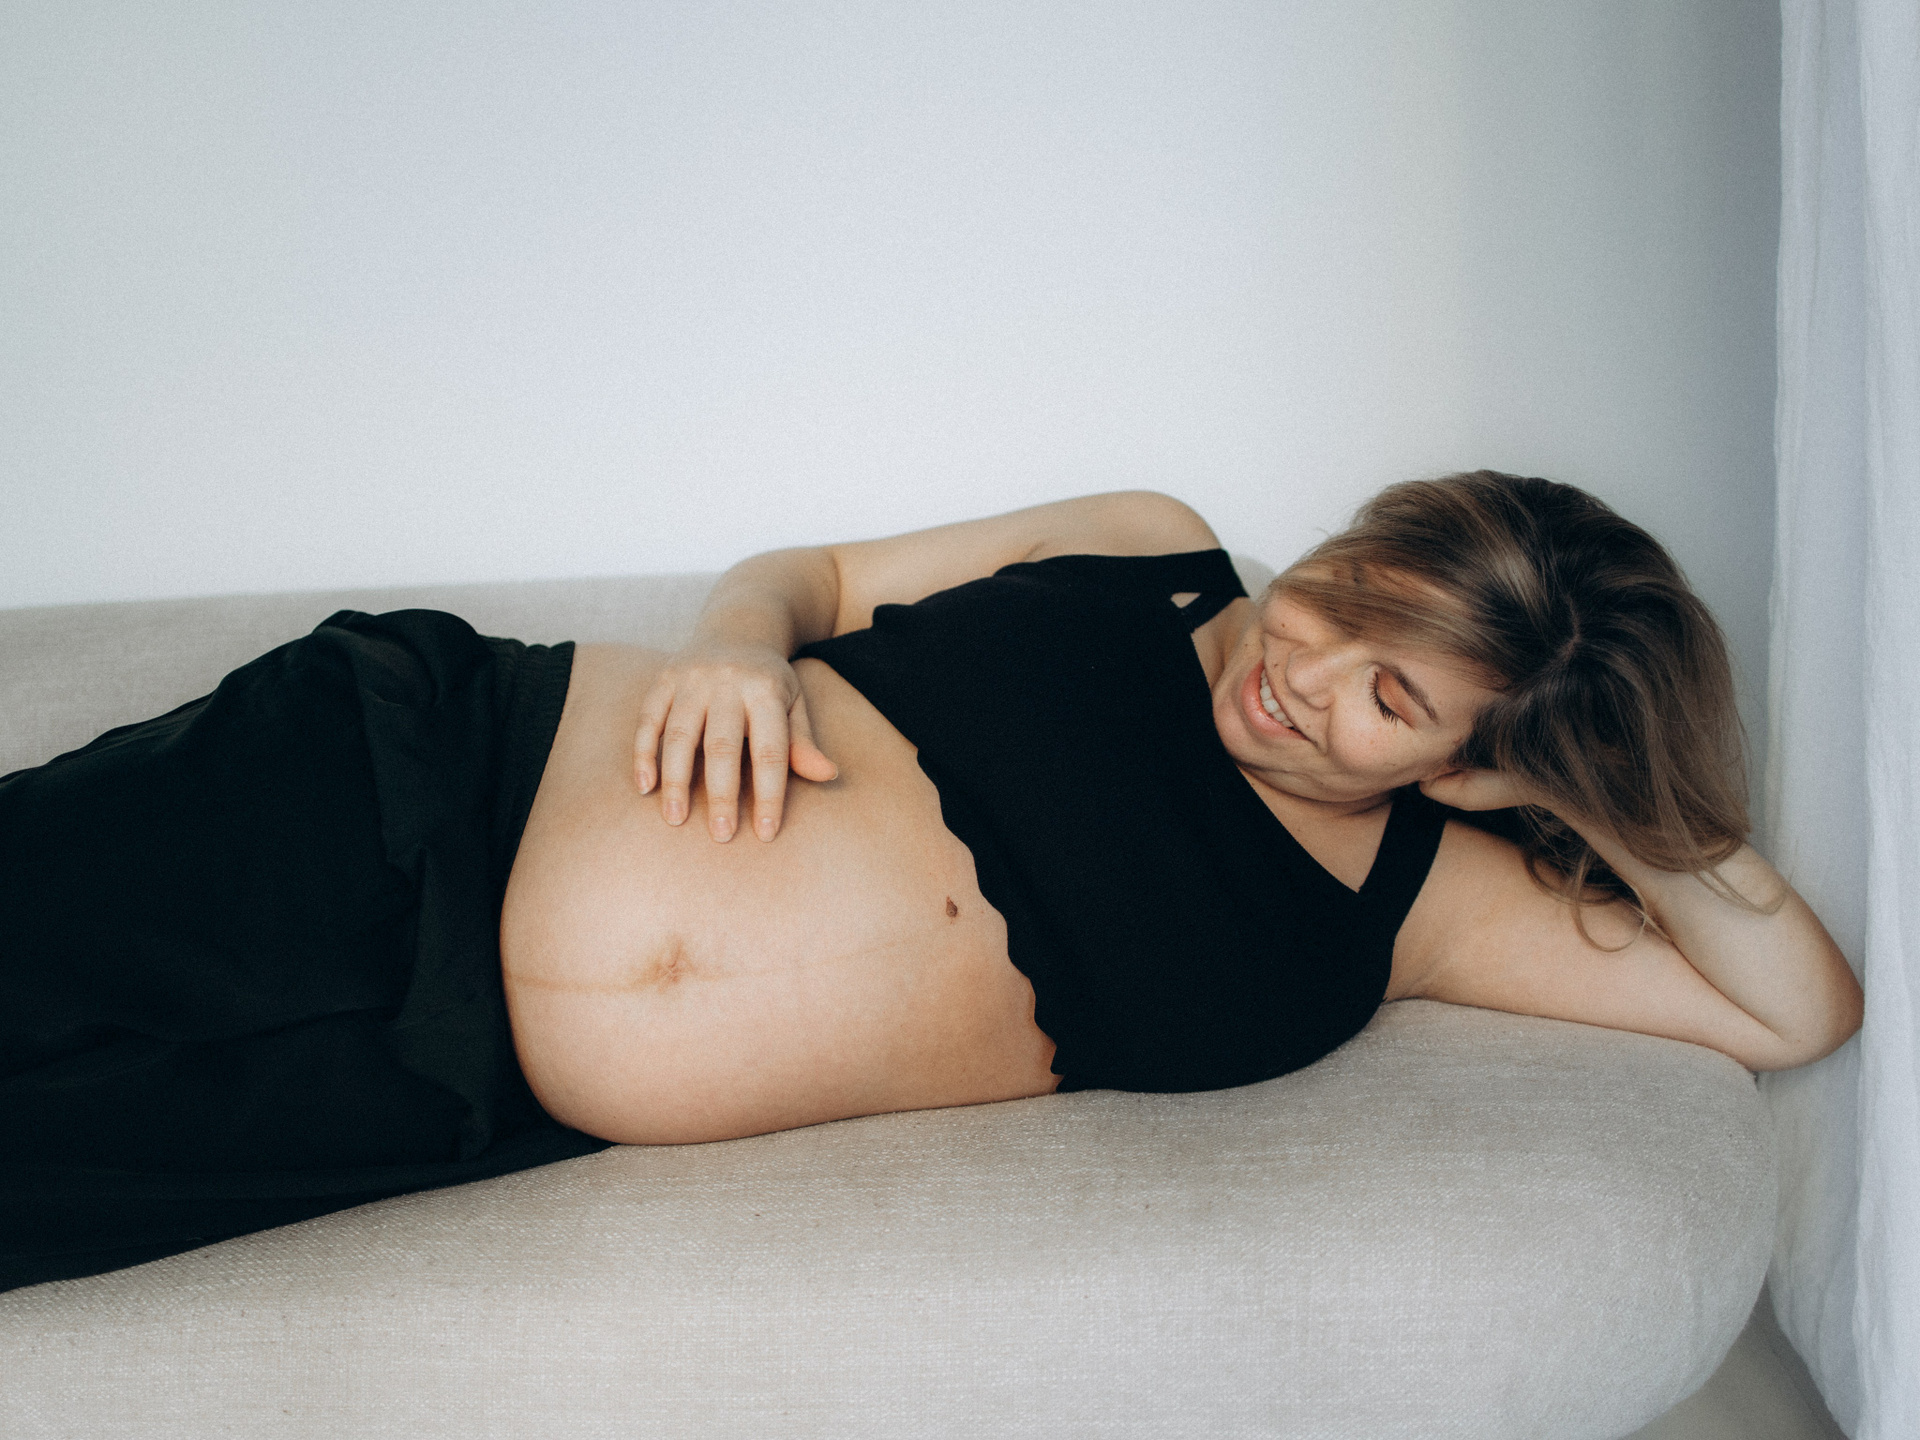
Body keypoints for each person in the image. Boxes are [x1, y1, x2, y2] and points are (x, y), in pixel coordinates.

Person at [0, 472, 1861, 1291]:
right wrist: (736, 649)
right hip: (418, 775)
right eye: (1346, 597)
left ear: (1470, 763)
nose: (1304, 670)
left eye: (1391, 695)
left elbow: (1793, 1011)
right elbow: (807, 576)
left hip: (460, 1084)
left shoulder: (1420, 903)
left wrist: (1603, 789)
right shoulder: (1151, 551)